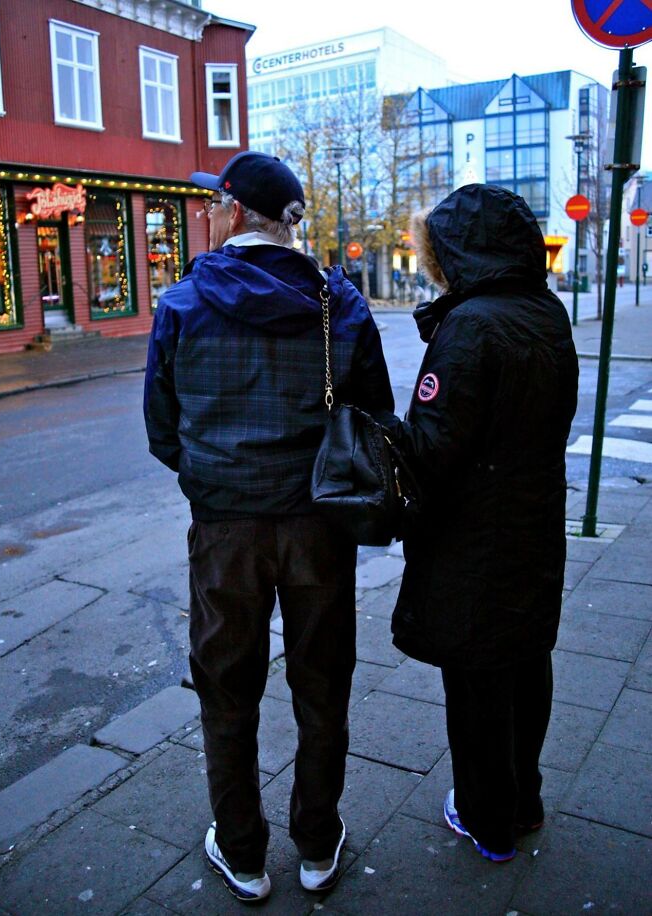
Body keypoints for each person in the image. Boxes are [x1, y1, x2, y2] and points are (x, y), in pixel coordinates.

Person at [143, 151, 394, 901]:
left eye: (210, 206)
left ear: (231, 210)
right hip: (319, 525)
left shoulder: (184, 303)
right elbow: (376, 421)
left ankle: (244, 854)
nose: (205, 218)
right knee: (323, 685)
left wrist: (210, 481)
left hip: (226, 530)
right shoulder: (338, 303)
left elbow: (162, 429)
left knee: (227, 688)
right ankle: (317, 846)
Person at [389, 184, 578, 863]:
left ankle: (484, 817)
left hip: (475, 539)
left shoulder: (469, 326)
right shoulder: (545, 312)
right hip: (532, 524)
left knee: (476, 683)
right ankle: (523, 801)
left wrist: (388, 436)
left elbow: (434, 449)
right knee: (528, 664)